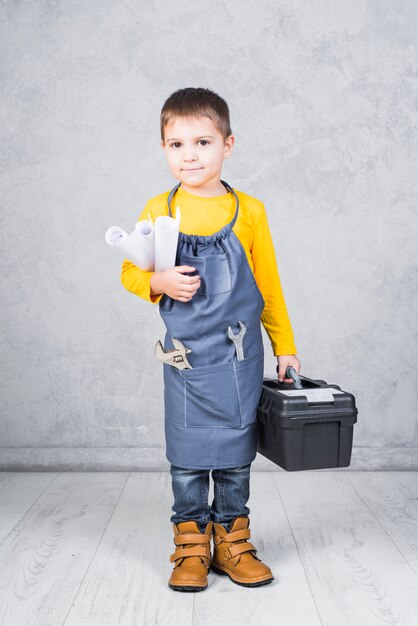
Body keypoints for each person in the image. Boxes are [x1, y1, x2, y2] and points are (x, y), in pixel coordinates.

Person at [121, 87, 301, 592]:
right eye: (175, 145)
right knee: (187, 459)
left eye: (202, 142)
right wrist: (157, 282)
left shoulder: (251, 212)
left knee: (235, 457)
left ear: (228, 144)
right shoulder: (161, 209)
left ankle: (233, 541)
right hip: (186, 363)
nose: (189, 155)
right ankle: (191, 546)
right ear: (164, 149)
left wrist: (285, 346)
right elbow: (129, 273)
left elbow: (267, 286)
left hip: (238, 358)